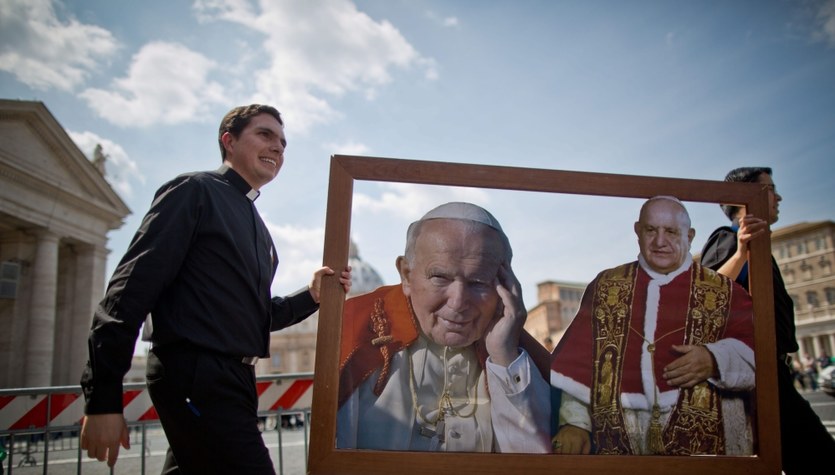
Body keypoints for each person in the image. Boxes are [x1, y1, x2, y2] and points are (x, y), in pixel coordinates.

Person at [78, 104, 352, 474]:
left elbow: (253, 315)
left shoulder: (256, 223)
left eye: (283, 143)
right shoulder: (195, 191)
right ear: (229, 140)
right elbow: (129, 291)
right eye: (265, 135)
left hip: (233, 377)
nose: (278, 148)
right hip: (197, 372)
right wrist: (103, 399)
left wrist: (311, 295)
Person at [336, 202, 552, 453]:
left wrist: (505, 358)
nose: (459, 302)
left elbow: (535, 461)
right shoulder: (358, 330)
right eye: (440, 277)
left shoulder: (511, 351)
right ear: (406, 275)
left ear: (506, 286)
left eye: (479, 281)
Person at [551, 196, 756, 456]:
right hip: (619, 444)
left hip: (705, 448)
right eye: (651, 230)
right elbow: (579, 366)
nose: (660, 242)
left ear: (689, 235)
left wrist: (715, 359)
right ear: (638, 231)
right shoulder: (605, 286)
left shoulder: (725, 291)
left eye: (671, 231)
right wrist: (574, 423)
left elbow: (757, 354)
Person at [700, 166, 835, 473]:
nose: (779, 197)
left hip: (766, 372)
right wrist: (740, 254)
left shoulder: (752, 242)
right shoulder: (728, 239)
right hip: (754, 375)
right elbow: (707, 295)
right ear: (746, 198)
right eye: (771, 190)